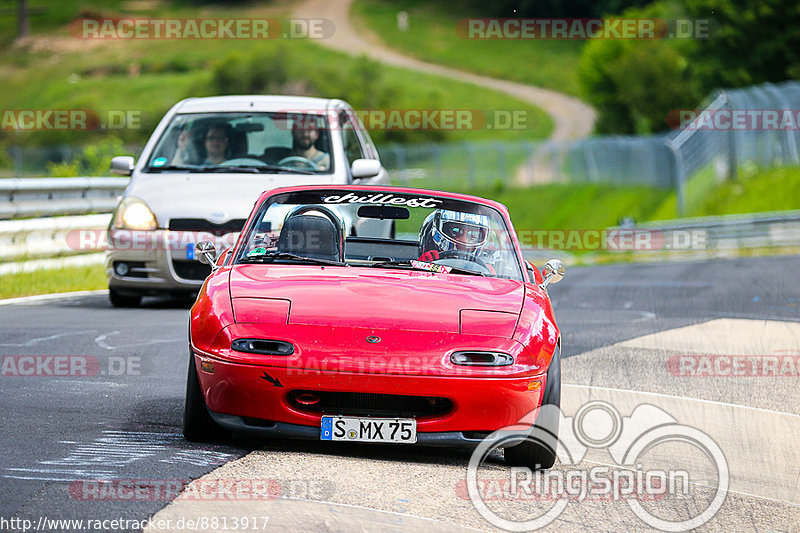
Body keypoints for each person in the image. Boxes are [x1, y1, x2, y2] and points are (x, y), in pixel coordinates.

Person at [417, 209, 490, 262]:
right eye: (456, 232)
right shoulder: (426, 261)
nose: (464, 240)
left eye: (472, 235)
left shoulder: (488, 272)